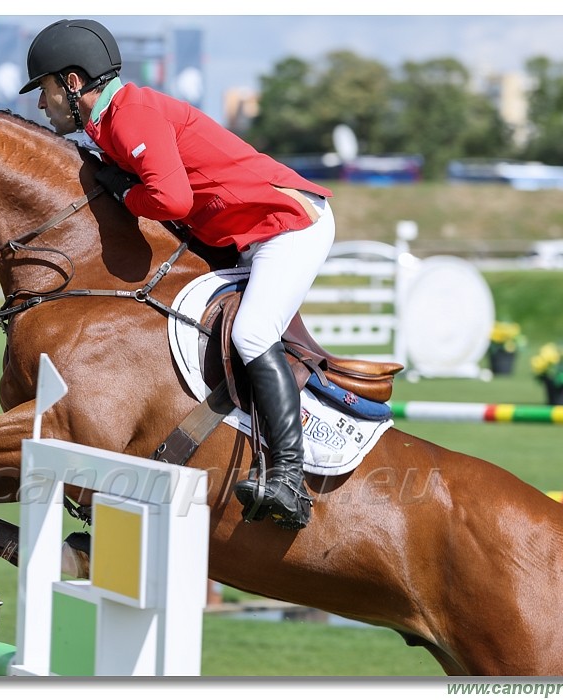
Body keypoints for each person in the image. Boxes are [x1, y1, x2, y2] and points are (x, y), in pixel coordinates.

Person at [20, 19, 336, 530]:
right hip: (241, 232)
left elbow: (171, 200)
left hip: (286, 225)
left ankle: (288, 479)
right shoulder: (111, 123)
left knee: (253, 332)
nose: (42, 103)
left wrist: (124, 193)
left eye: (46, 89)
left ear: (73, 83)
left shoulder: (130, 117)